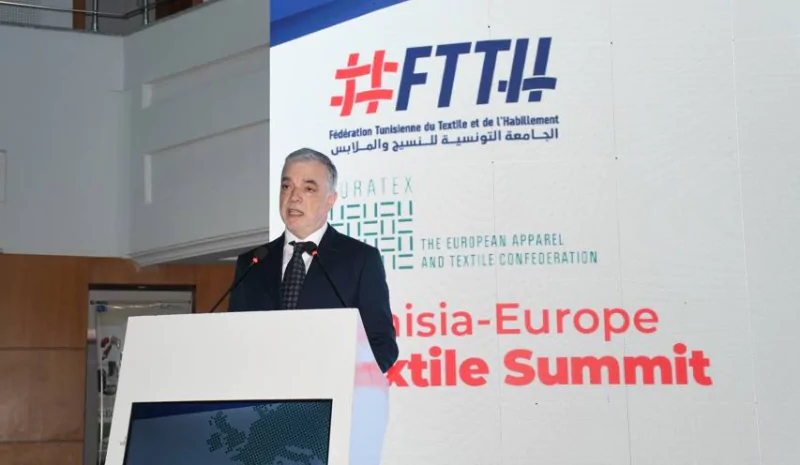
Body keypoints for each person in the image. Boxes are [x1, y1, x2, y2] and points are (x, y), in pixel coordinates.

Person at [228, 147, 399, 373]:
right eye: (286, 186)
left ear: (330, 200)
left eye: (308, 188)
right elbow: (233, 341)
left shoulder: (360, 260)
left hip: (330, 391)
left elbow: (382, 346)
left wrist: (338, 379)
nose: (294, 197)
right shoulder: (252, 263)